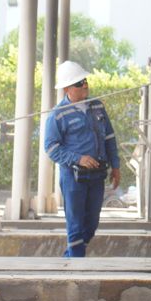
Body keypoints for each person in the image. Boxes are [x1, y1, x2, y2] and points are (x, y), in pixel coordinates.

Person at [42, 60, 121, 258]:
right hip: (73, 178)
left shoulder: (97, 106)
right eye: (79, 83)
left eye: (85, 81)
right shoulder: (58, 115)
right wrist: (78, 159)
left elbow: (109, 137)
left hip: (97, 175)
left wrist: (116, 166)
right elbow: (51, 148)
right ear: (67, 88)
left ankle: (69, 258)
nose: (85, 85)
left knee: (91, 224)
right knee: (75, 225)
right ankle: (76, 265)